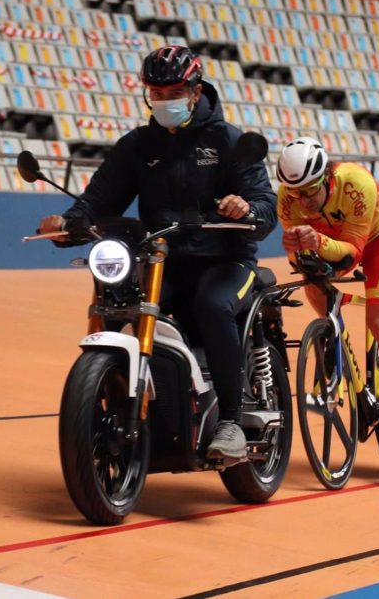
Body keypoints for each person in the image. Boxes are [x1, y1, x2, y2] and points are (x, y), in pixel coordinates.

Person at [37, 45, 278, 460]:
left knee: (213, 303)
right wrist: (67, 224)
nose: (165, 101)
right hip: (161, 262)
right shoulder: (137, 146)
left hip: (225, 262)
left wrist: (247, 208)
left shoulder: (228, 141)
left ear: (196, 90)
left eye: (174, 93)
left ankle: (232, 422)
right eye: (157, 93)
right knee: (118, 302)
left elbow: (265, 205)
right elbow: (98, 201)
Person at [275, 137, 379, 450]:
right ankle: (334, 348)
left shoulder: (356, 185)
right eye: (296, 192)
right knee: (313, 279)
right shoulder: (286, 199)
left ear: (327, 176)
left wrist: (315, 243)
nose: (303, 199)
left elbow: (351, 256)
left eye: (310, 189)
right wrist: (297, 251)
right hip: (326, 241)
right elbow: (303, 259)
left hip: (378, 240)